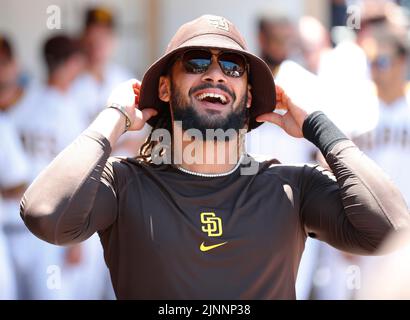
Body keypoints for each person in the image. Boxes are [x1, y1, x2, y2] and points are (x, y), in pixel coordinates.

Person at [20, 15, 410, 299]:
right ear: (165, 89)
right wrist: (115, 116)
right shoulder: (125, 183)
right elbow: (45, 214)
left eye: (232, 65)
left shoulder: (293, 187)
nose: (215, 74)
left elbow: (392, 229)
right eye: (196, 62)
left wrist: (318, 126)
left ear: (248, 97)